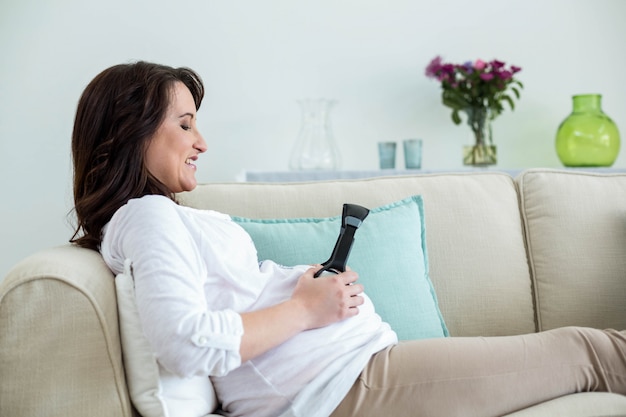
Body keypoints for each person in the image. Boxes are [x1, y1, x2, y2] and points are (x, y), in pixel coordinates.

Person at [70, 61, 626, 417]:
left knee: (588, 351)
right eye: (185, 124)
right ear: (130, 132)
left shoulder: (161, 218)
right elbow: (185, 342)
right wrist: (306, 310)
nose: (202, 142)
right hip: (345, 391)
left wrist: (312, 296)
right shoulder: (148, 218)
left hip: (358, 375)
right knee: (590, 352)